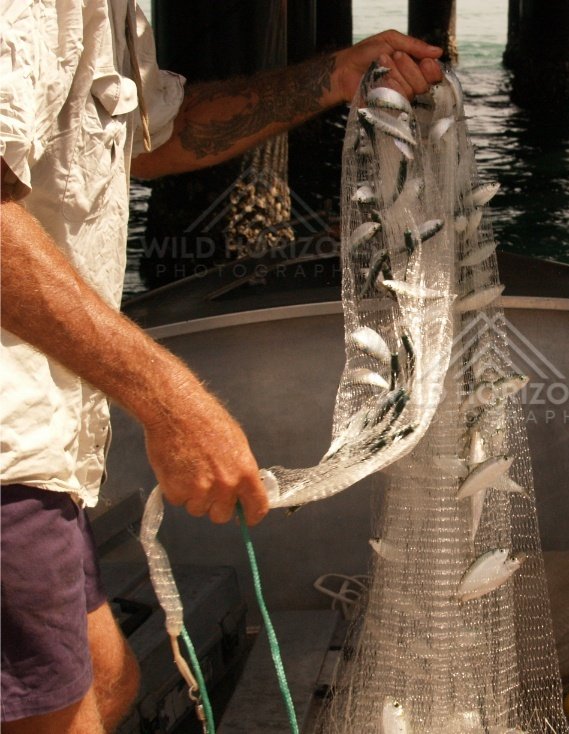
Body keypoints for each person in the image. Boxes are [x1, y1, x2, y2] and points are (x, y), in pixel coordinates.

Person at [0, 1, 443, 730]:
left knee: (109, 685)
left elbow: (156, 132)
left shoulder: (111, 16)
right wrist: (171, 400)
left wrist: (333, 75)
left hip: (43, 453)